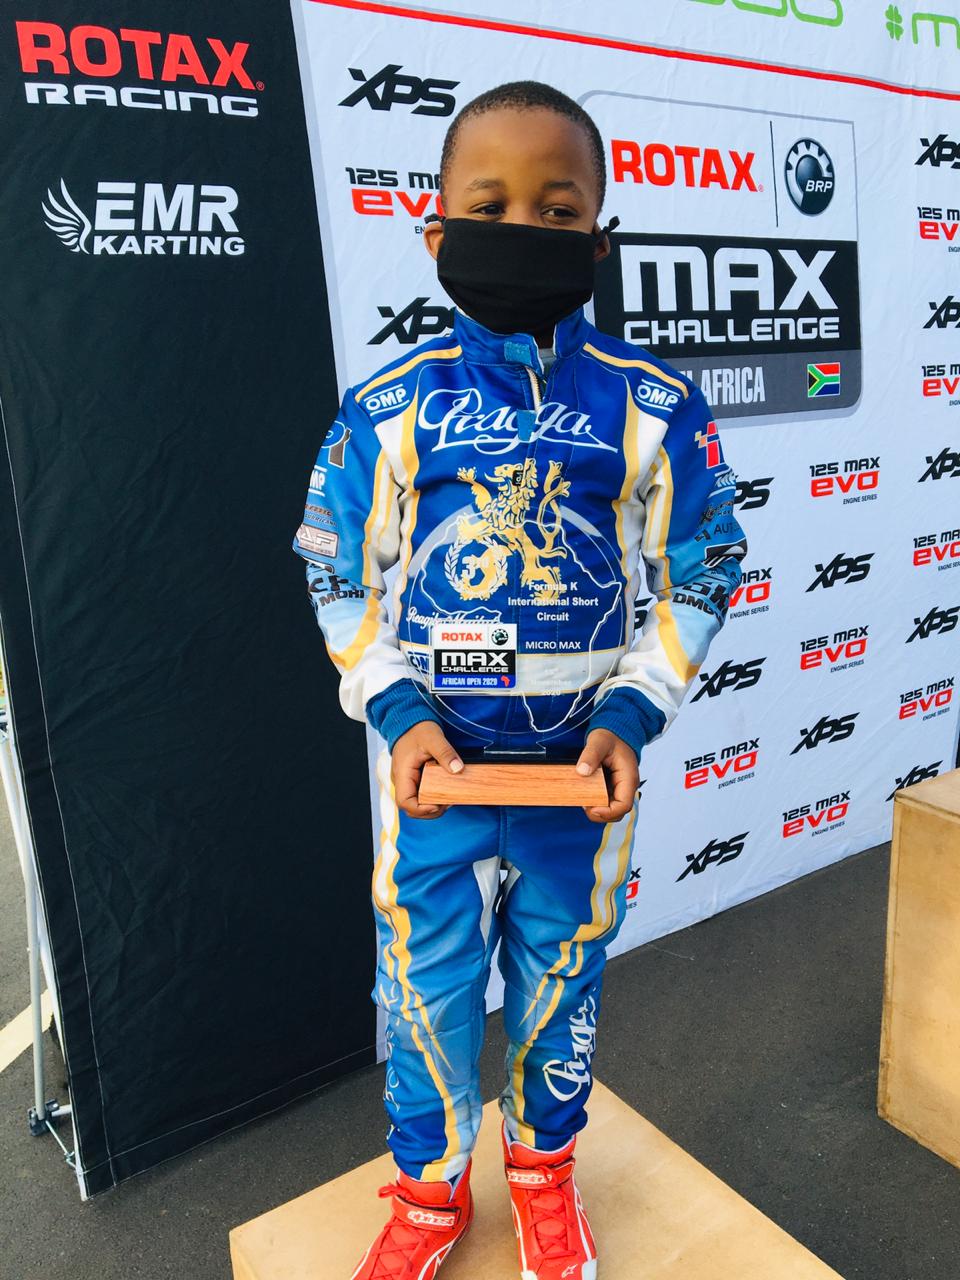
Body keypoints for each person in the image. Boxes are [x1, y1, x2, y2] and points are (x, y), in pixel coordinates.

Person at [292, 80, 747, 1280]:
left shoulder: (654, 403)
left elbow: (705, 566)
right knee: (423, 990)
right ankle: (429, 1194)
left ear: (600, 240)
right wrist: (398, 710)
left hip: (581, 782)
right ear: (435, 230)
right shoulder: (391, 408)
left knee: (561, 979)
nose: (524, 228)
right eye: (489, 206)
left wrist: (633, 711)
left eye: (558, 209)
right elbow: (336, 570)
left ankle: (545, 1176)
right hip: (434, 779)